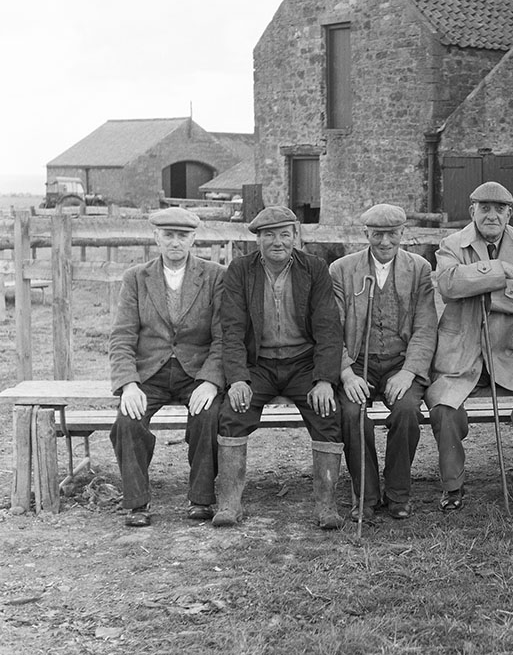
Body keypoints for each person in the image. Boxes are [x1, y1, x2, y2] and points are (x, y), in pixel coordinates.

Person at [214, 206, 345, 528]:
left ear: (295, 237)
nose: (278, 242)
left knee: (327, 413)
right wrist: (238, 379)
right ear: (257, 239)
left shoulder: (314, 268)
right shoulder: (240, 270)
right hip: (258, 365)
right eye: (269, 235)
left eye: (285, 234)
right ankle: (229, 505)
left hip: (303, 364)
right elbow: (231, 329)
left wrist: (325, 380)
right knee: (233, 412)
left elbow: (328, 328)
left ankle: (326, 507)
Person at [426, 181, 513, 511]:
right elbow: (448, 285)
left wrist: (488, 293)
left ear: (510, 214)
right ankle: (453, 485)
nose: (492, 216)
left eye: (499, 209)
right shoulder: (452, 244)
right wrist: (500, 271)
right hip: (462, 350)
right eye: (484, 208)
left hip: (511, 350)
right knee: (443, 410)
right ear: (473, 211)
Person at [109, 207, 225, 527]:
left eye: (182, 236)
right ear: (156, 237)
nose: (175, 242)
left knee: (209, 415)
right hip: (150, 372)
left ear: (193, 239)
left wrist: (211, 381)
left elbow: (224, 336)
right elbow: (122, 336)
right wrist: (129, 385)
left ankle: (201, 498)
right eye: (168, 235)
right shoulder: (136, 277)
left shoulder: (215, 275)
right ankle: (137, 503)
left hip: (195, 371)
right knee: (127, 421)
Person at [329, 204, 437, 520]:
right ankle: (366, 495)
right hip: (357, 363)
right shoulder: (342, 270)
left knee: (407, 411)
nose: (385, 242)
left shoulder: (419, 269)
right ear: (366, 234)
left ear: (402, 233)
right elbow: (331, 328)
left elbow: (425, 327)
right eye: (377, 234)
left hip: (400, 364)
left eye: (392, 234)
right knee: (352, 413)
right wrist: (346, 374)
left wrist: (408, 372)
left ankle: (398, 494)